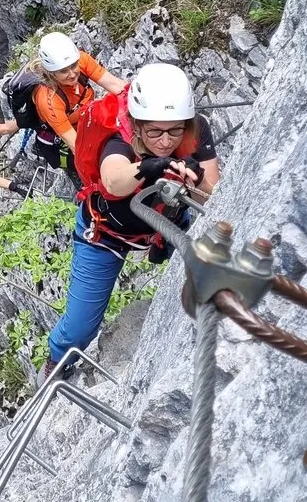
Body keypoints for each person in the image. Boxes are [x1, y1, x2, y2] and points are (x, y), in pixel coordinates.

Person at [43, 63, 219, 378]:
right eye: (154, 131)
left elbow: (212, 194)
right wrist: (148, 167)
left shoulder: (195, 130)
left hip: (165, 223)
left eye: (174, 130)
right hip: (105, 235)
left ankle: (161, 246)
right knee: (79, 330)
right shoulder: (118, 137)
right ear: (137, 125)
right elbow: (113, 180)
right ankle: (56, 364)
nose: (166, 140)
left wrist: (198, 175)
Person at [29, 32, 126, 182]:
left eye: (73, 66)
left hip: (87, 120)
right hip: (68, 140)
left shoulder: (81, 59)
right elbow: (76, 145)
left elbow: (117, 86)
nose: (72, 74)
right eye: (63, 71)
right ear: (51, 73)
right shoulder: (49, 100)